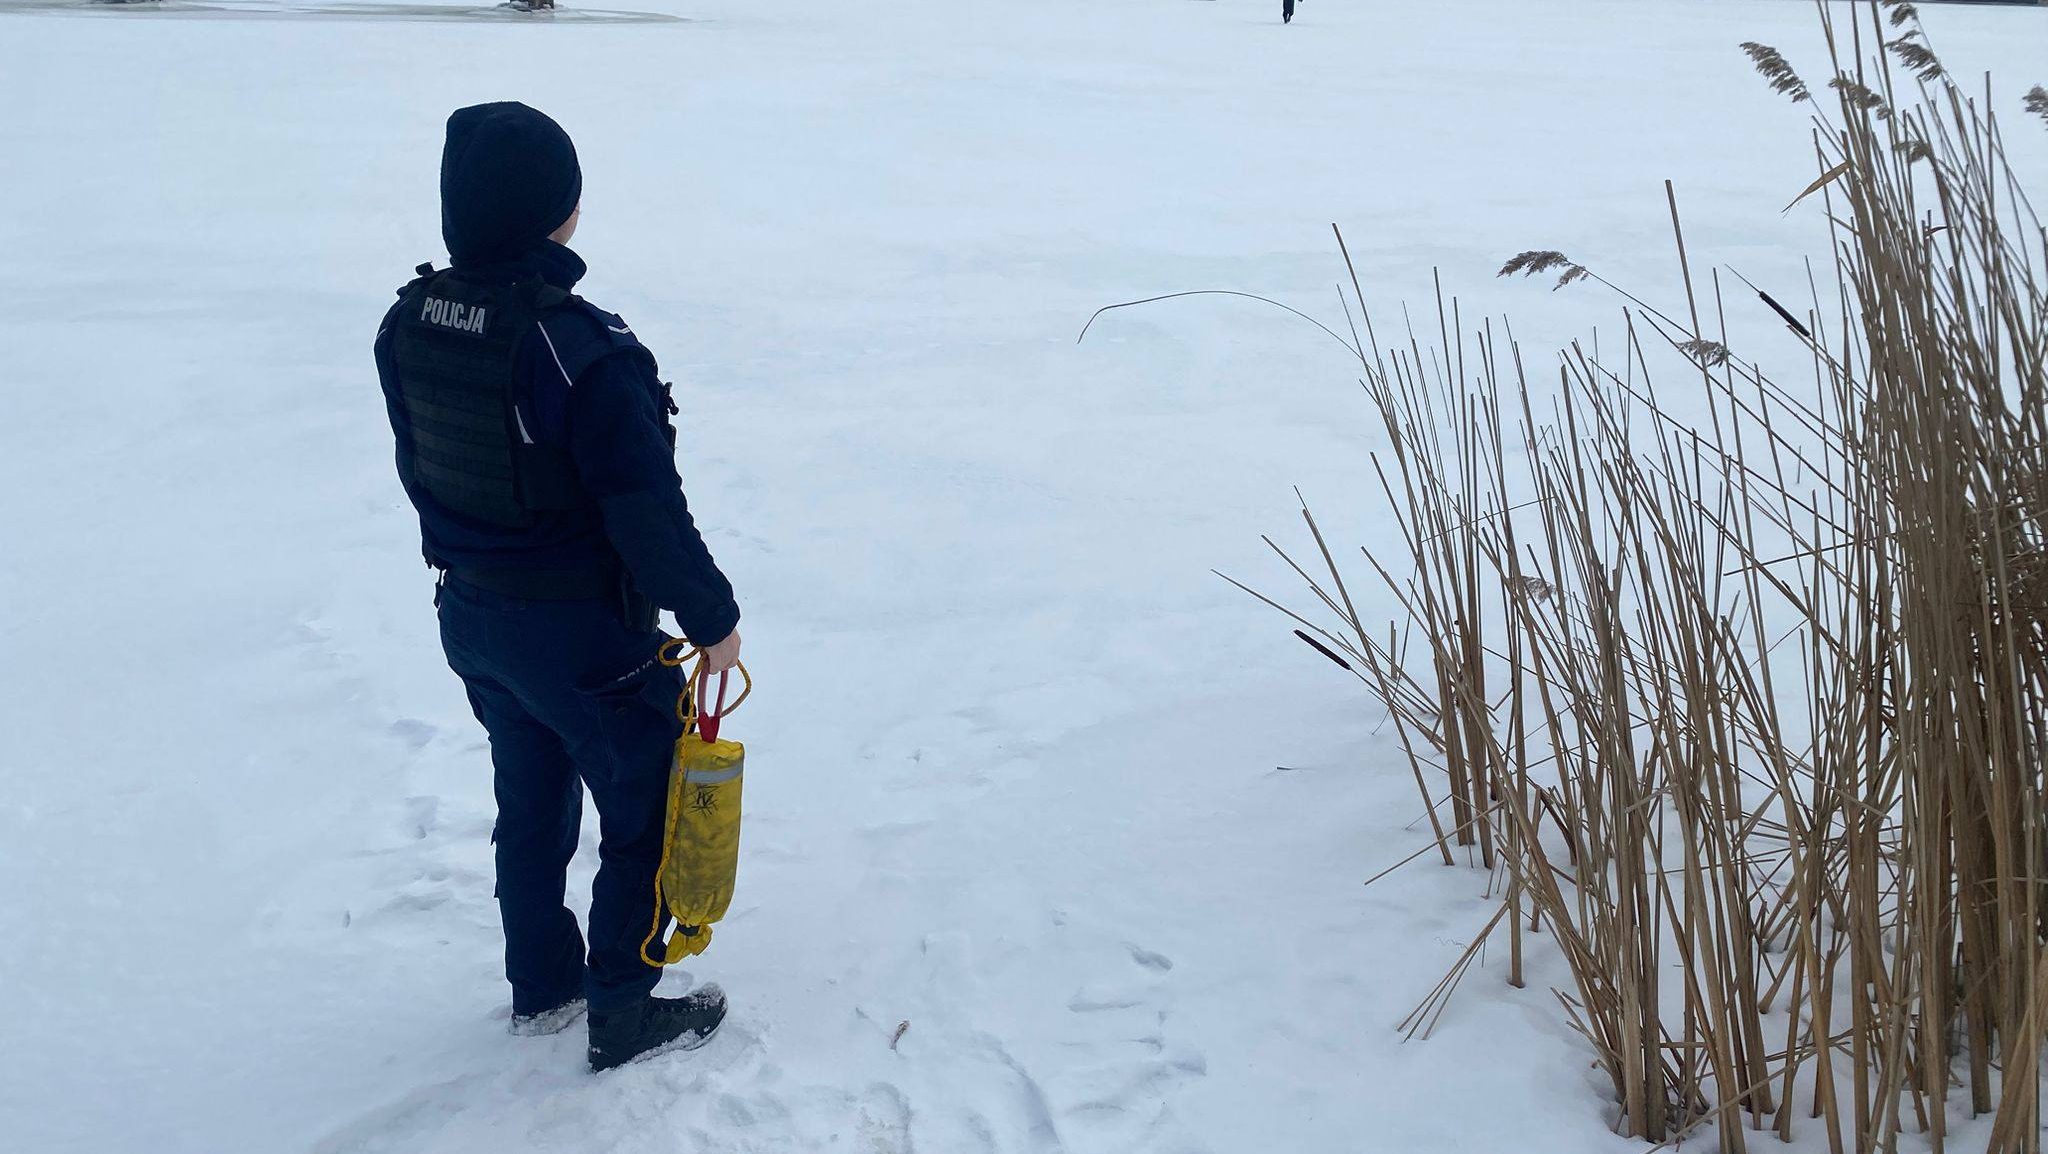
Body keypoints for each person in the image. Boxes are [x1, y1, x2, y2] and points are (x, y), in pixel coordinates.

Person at [374, 101, 741, 1073]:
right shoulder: (578, 346)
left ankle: (541, 983)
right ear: (555, 216)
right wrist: (712, 618)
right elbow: (643, 505)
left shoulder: (409, 320)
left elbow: (426, 468)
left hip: (473, 619)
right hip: (581, 636)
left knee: (530, 795)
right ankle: (622, 1006)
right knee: (646, 805)